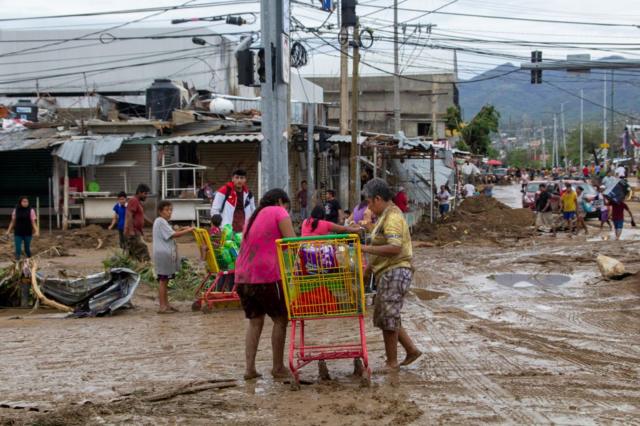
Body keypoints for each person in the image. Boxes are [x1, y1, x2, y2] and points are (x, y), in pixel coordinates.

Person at [234, 188, 296, 380]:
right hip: (267, 275)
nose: (287, 210)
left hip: (243, 276)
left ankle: (249, 369)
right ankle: (278, 367)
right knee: (280, 319)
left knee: (255, 321)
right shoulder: (279, 211)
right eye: (287, 206)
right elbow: (292, 242)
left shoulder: (254, 215)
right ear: (280, 201)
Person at [360, 178, 421, 371]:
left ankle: (392, 362)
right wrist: (368, 269)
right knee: (387, 314)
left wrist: (364, 248)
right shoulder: (385, 216)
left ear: (378, 199)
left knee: (388, 315)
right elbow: (382, 247)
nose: (368, 207)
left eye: (369, 202)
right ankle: (410, 350)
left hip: (396, 269)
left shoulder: (392, 217)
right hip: (389, 270)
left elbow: (394, 247)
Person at [152, 201, 194, 314]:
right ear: (160, 211)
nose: (169, 212)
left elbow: (171, 232)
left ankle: (166, 305)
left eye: (170, 210)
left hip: (165, 254)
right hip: (163, 254)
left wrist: (181, 229)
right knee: (163, 280)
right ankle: (162, 307)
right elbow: (173, 235)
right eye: (166, 210)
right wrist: (188, 230)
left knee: (165, 280)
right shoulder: (160, 221)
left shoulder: (162, 222)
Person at [123, 184, 152, 262]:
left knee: (133, 256)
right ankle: (147, 267)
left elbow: (142, 216)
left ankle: (133, 270)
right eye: (145, 194)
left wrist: (153, 222)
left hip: (136, 231)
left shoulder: (138, 202)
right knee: (143, 250)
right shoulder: (134, 200)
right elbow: (129, 215)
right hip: (134, 232)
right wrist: (131, 231)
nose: (146, 196)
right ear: (139, 192)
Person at [6, 196, 39, 260]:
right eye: (24, 201)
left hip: (28, 232)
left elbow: (33, 222)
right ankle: (17, 263)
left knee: (27, 249)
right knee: (18, 249)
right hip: (18, 233)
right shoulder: (16, 210)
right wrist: (8, 231)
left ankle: (30, 260)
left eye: (27, 202)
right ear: (20, 202)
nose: (25, 203)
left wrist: (37, 231)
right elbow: (13, 222)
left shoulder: (31, 210)